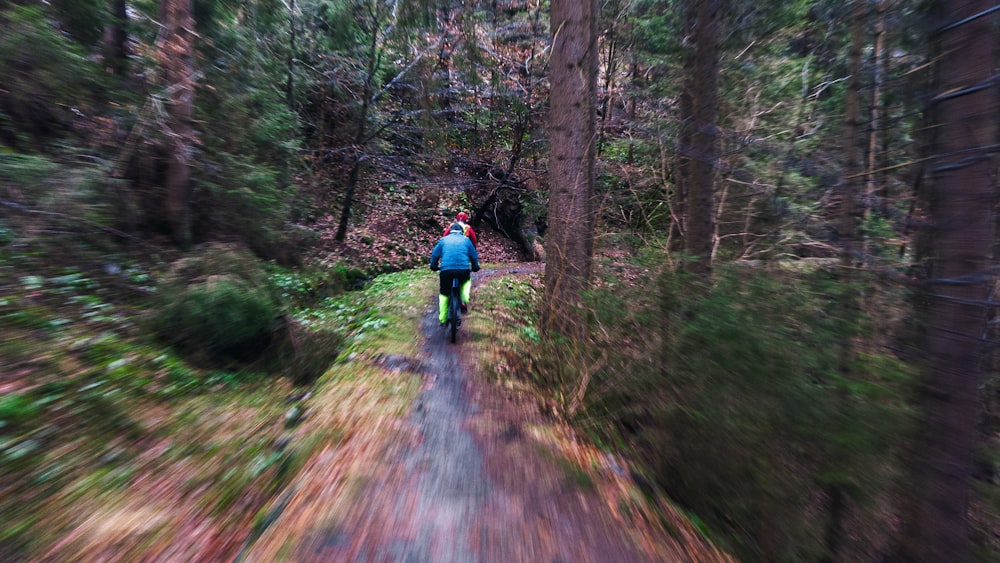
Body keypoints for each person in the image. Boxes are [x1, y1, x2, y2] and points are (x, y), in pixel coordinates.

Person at [430, 222, 480, 325]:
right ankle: (464, 298)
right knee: (466, 282)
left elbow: (435, 255)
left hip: (446, 270)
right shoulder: (466, 240)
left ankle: (443, 318)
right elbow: (474, 255)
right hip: (463, 269)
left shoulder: (443, 240)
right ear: (462, 232)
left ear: (450, 231)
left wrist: (433, 266)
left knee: (444, 293)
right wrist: (475, 267)